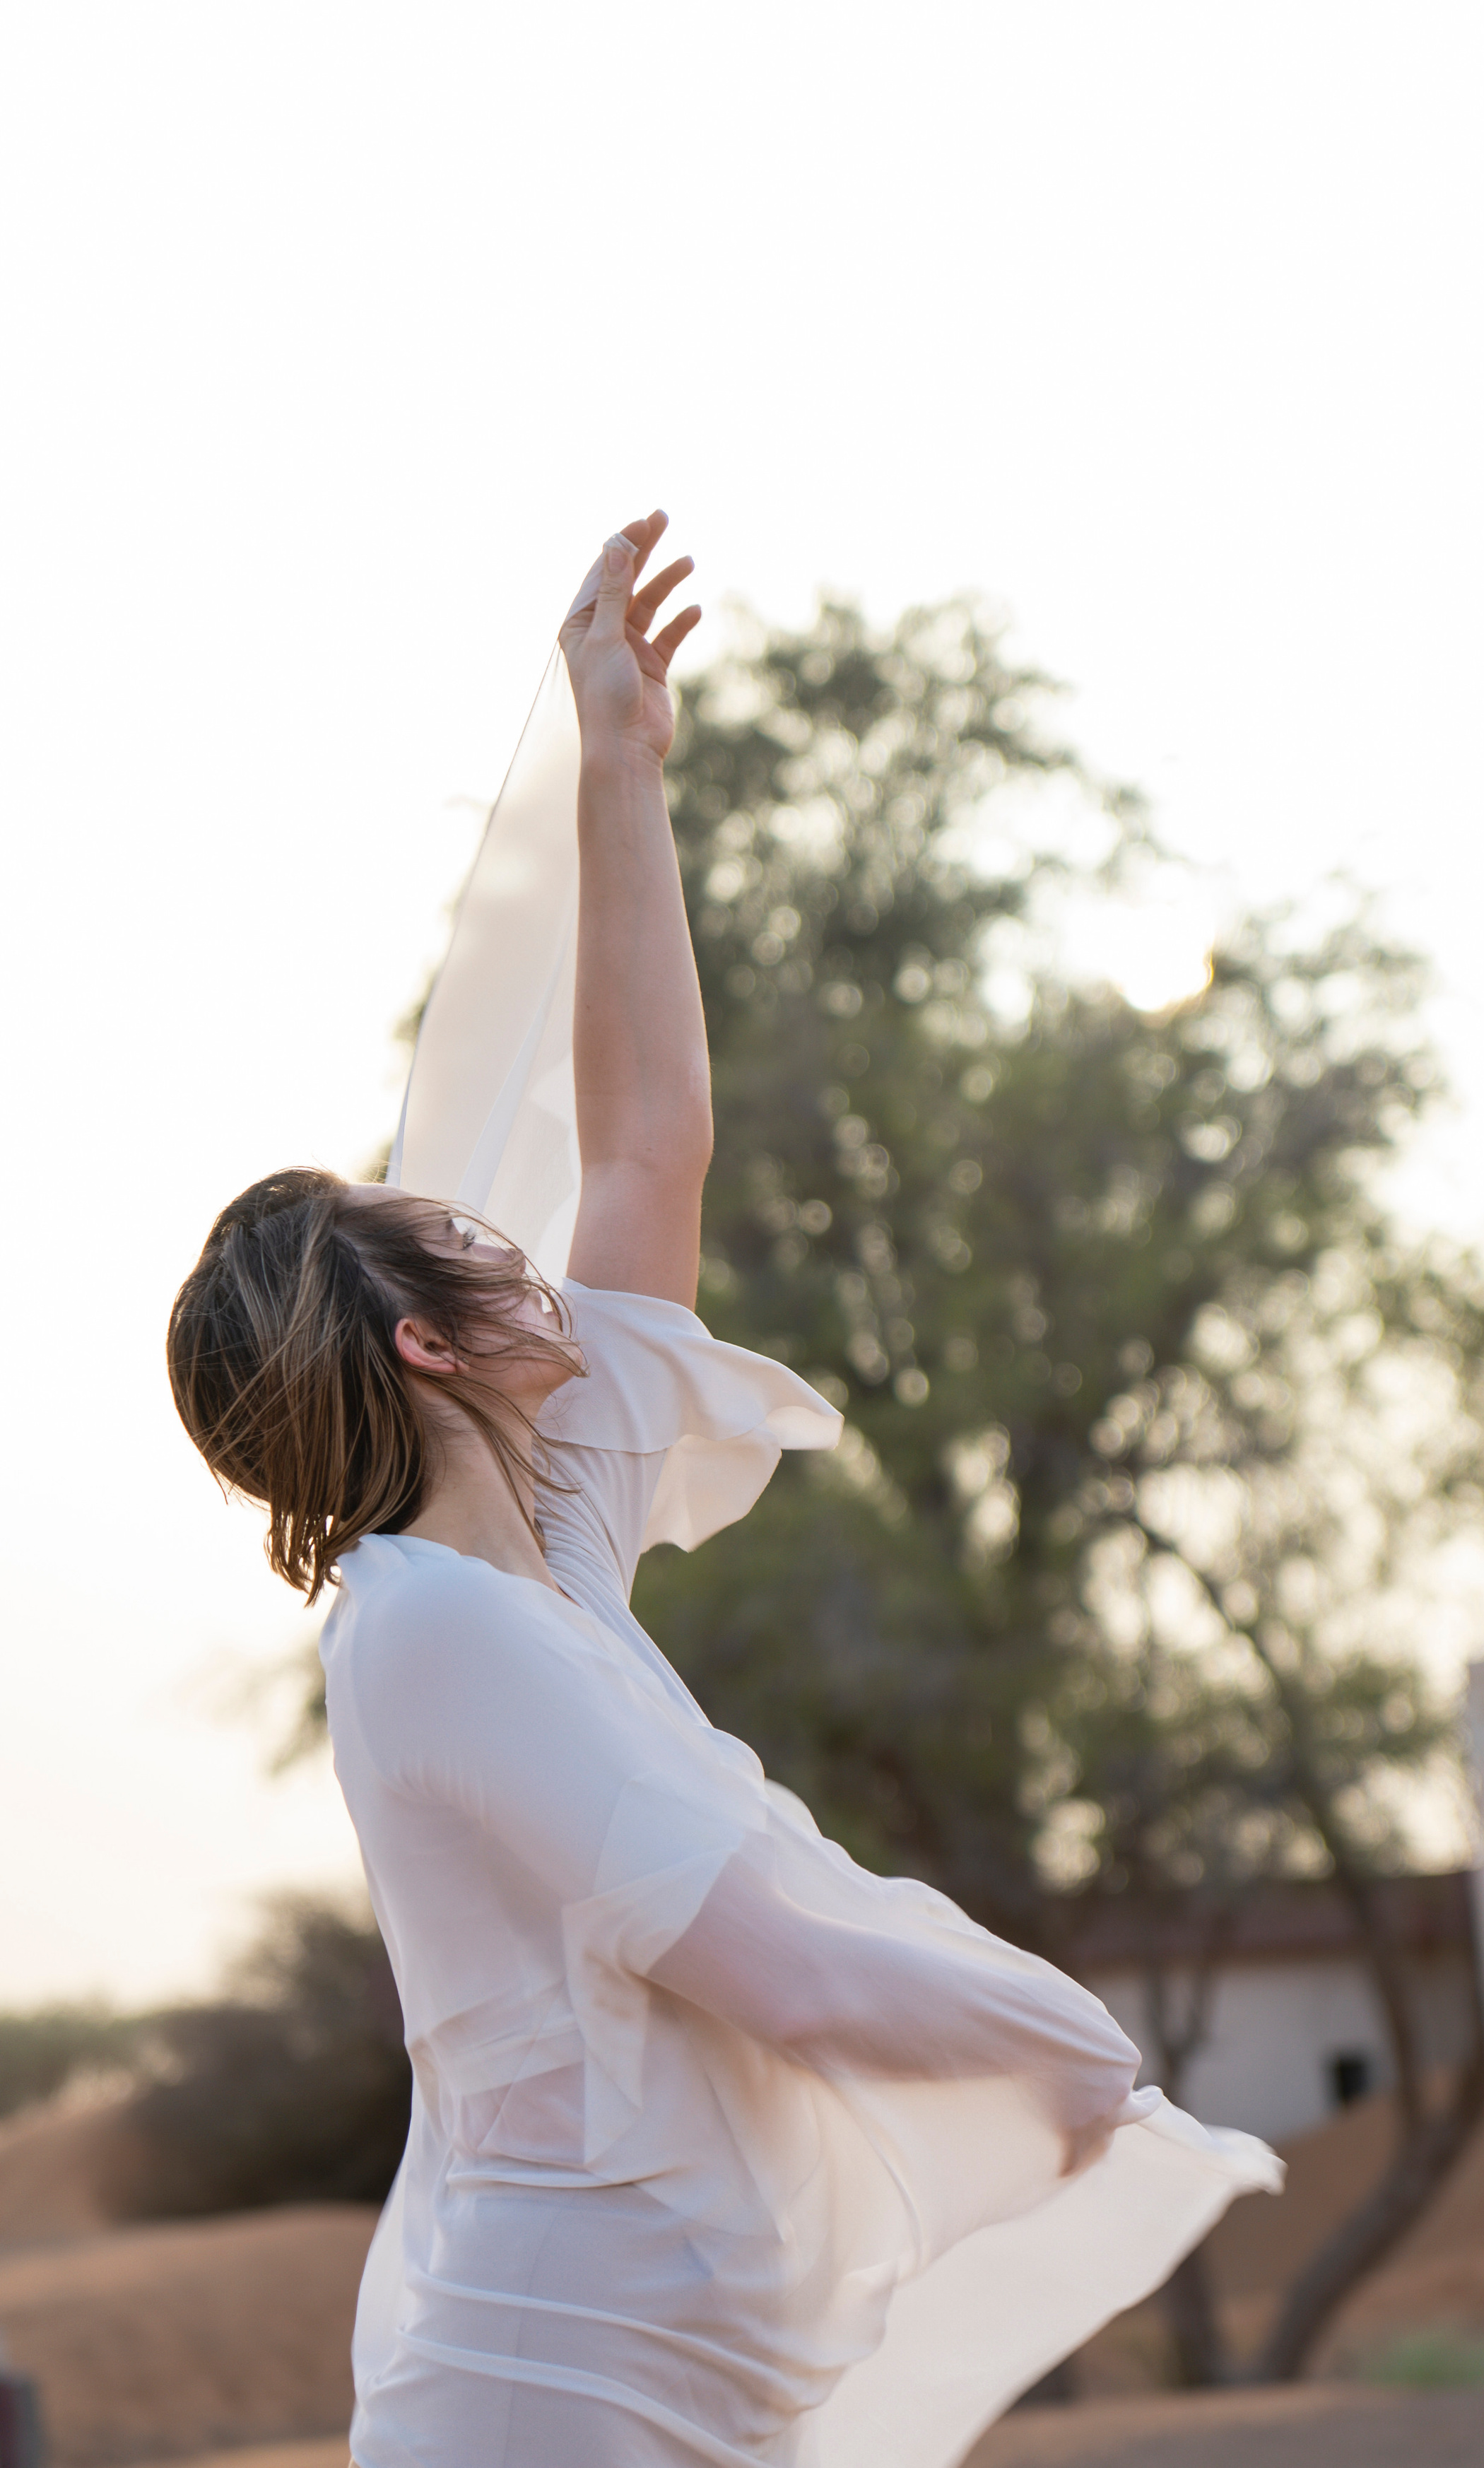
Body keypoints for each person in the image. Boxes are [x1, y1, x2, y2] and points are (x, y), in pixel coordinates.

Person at [167, 514, 1278, 2468]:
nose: (521, 1247)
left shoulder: (551, 1568)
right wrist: (1076, 2056)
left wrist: (620, 768)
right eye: (455, 1235)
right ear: (426, 1343)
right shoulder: (425, 1633)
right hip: (547, 2403)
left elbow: (653, 1145)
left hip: (673, 2395)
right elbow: (778, 1971)